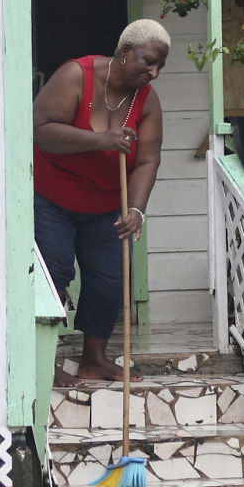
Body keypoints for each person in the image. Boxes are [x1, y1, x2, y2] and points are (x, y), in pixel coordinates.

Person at [33, 19, 170, 384]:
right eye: (148, 62)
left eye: (160, 66)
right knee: (54, 274)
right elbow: (41, 131)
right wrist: (102, 140)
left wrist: (136, 209)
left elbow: (147, 160)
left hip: (107, 204)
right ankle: (41, 360)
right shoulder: (75, 76)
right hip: (53, 198)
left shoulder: (147, 101)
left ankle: (94, 358)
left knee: (109, 279)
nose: (153, 72)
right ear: (126, 52)